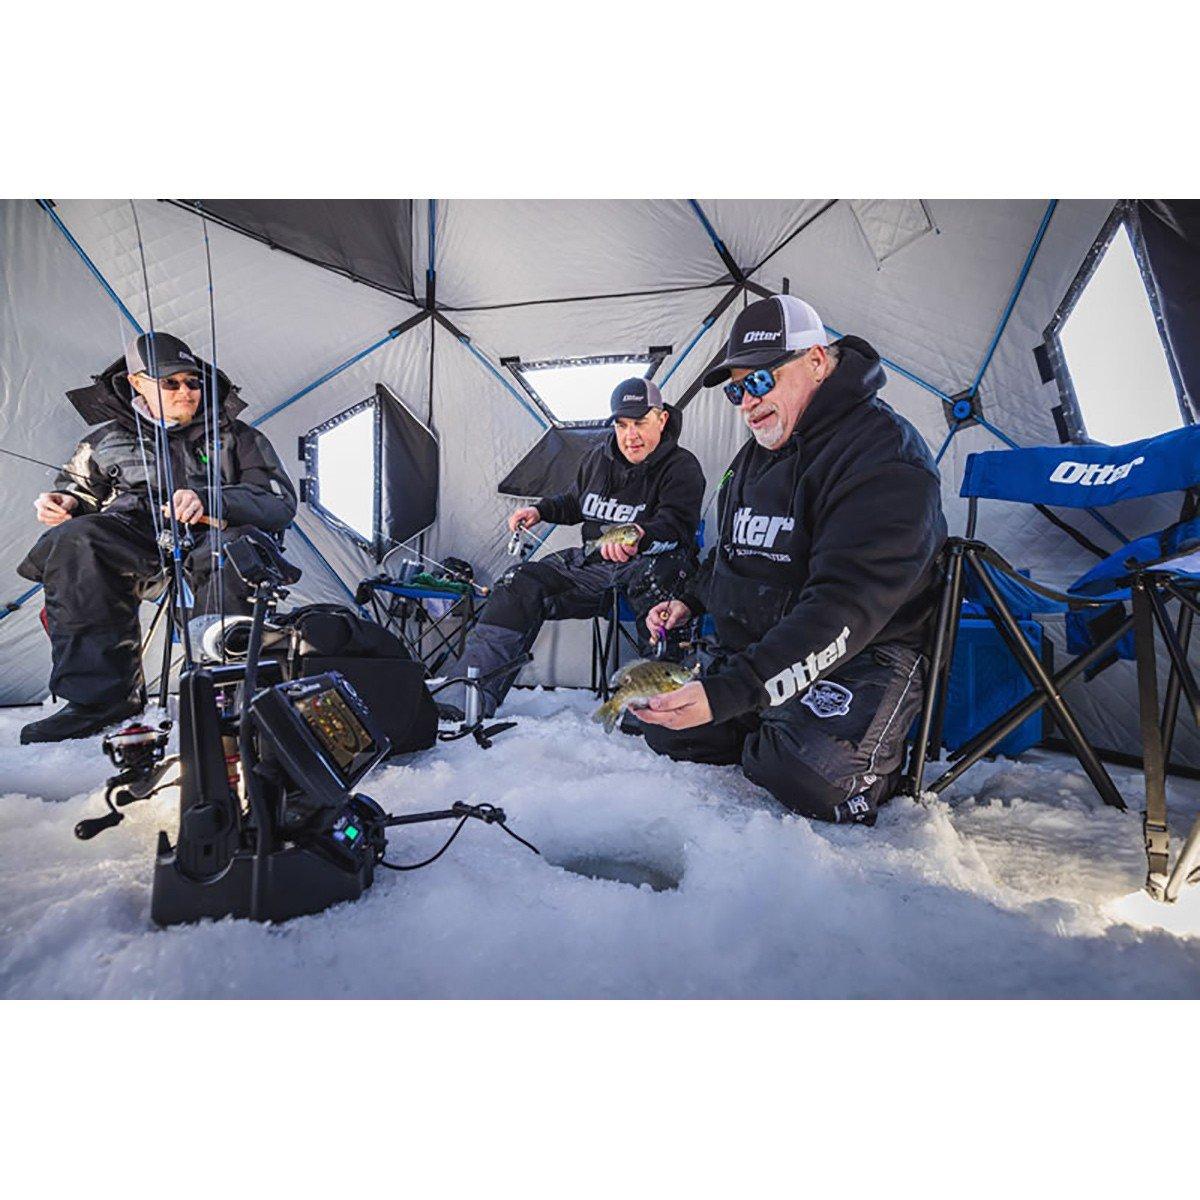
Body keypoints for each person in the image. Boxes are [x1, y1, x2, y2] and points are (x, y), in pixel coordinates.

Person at [636, 294, 947, 826]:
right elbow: (734, 550)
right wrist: (690, 600)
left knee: (802, 775)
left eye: (761, 380)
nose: (748, 401)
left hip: (864, 651)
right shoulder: (757, 453)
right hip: (767, 645)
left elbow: (844, 607)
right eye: (737, 389)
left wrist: (733, 692)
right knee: (667, 727)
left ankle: (872, 763)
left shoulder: (883, 455)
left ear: (818, 361)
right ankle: (773, 717)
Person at [17, 332, 297, 743]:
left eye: (193, 381)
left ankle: (223, 695)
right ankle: (101, 701)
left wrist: (211, 500)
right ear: (137, 383)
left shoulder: (240, 437)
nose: (186, 391)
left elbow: (278, 501)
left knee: (231, 551)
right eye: (171, 382)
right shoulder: (102, 442)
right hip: (139, 545)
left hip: (215, 542)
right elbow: (80, 492)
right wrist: (68, 502)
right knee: (76, 540)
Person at [443, 377, 705, 718]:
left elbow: (677, 526)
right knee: (517, 582)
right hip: (593, 566)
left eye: (640, 423)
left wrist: (642, 535)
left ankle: (660, 714)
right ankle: (465, 700)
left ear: (662, 418)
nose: (631, 435)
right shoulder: (597, 458)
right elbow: (575, 502)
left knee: (661, 582)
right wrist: (540, 511)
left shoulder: (682, 466)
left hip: (655, 565)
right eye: (622, 425)